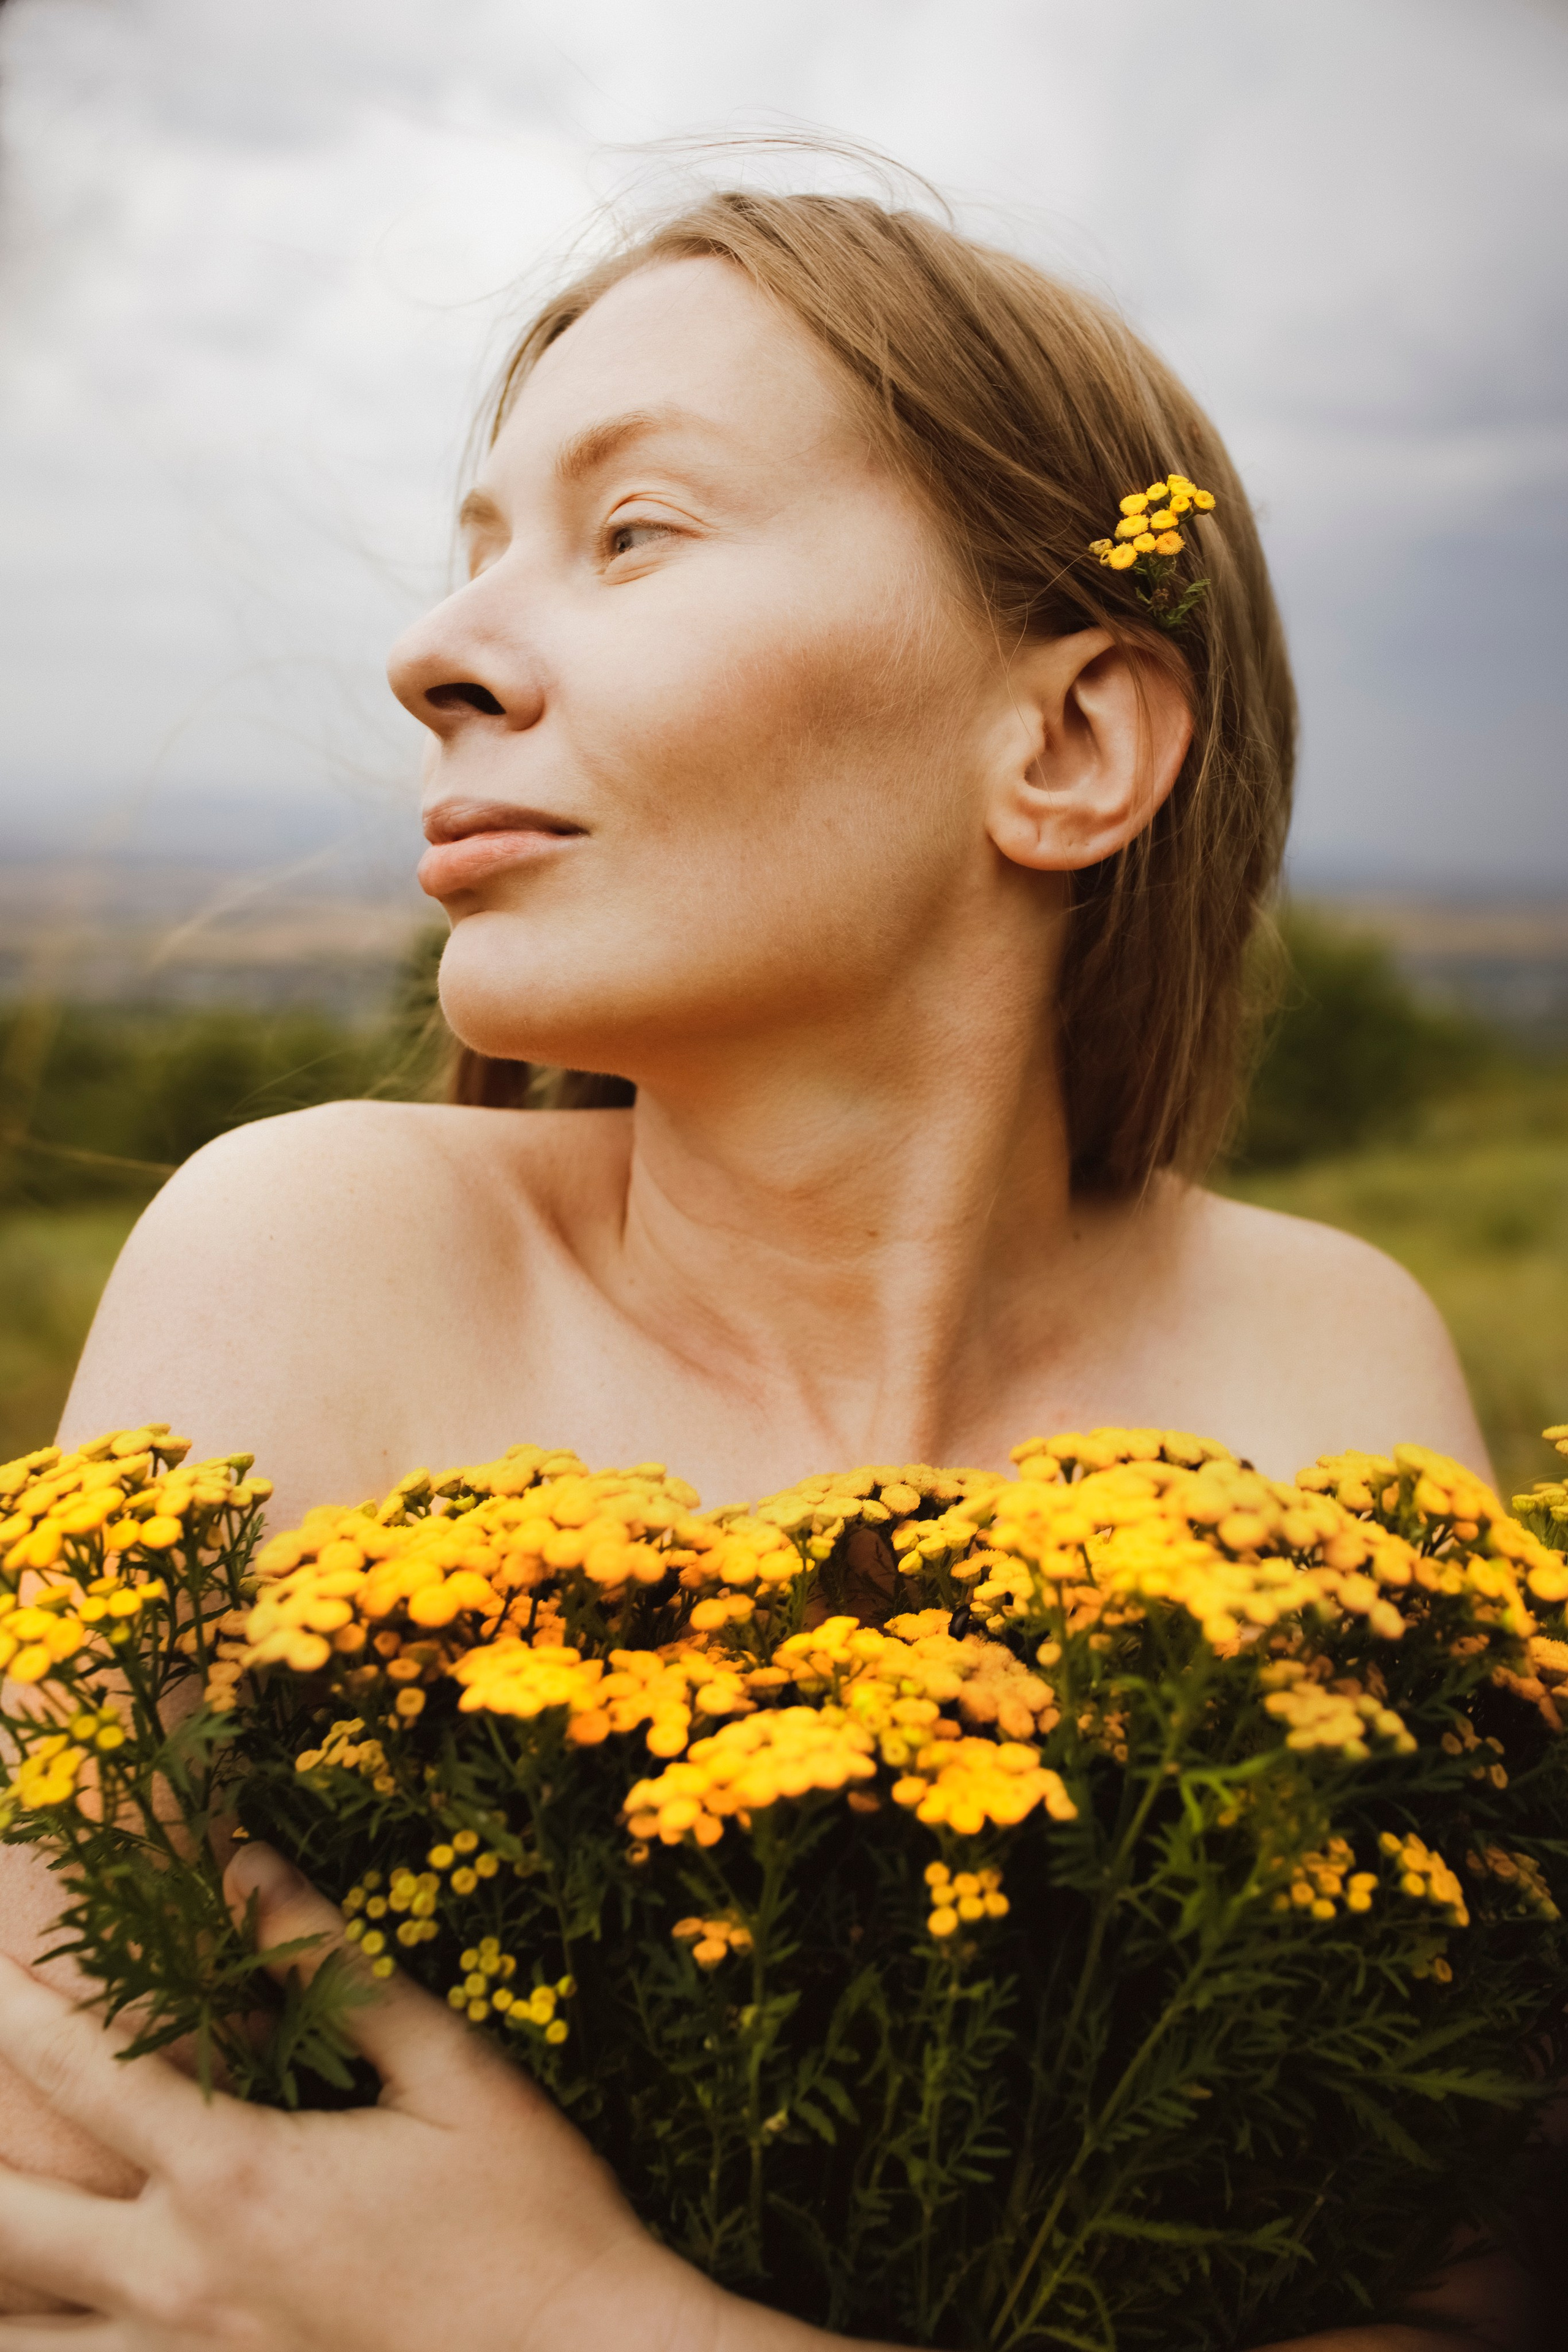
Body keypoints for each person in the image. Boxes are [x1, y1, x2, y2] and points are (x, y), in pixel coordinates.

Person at [0, 187, 1531, 2349]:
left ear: (1070, 743)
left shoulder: (1323, 1360)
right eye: (476, 549)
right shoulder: (317, 1256)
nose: (434, 655)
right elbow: (55, 2250)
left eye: (633, 531)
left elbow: (1470, 2302)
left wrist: (579, 2324)